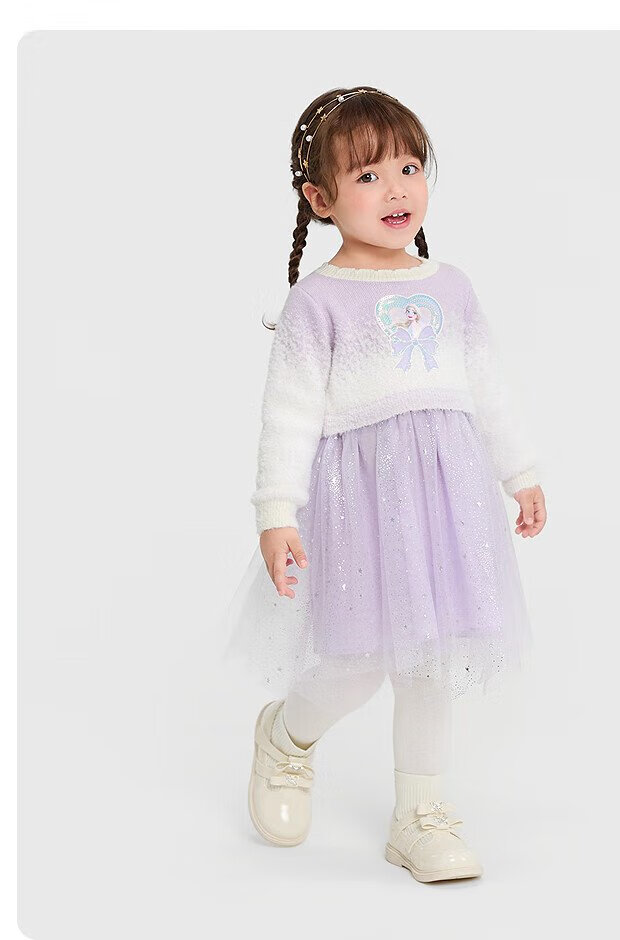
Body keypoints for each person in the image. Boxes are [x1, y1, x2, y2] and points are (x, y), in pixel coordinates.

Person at [226, 85, 547, 883]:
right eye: (367, 176)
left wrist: (520, 471)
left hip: (446, 503)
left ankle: (420, 815)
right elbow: (289, 412)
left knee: (430, 661)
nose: (396, 188)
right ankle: (286, 737)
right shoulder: (318, 301)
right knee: (355, 662)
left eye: (409, 167)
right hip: (361, 506)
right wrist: (276, 510)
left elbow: (487, 387)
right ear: (320, 199)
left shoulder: (451, 286)